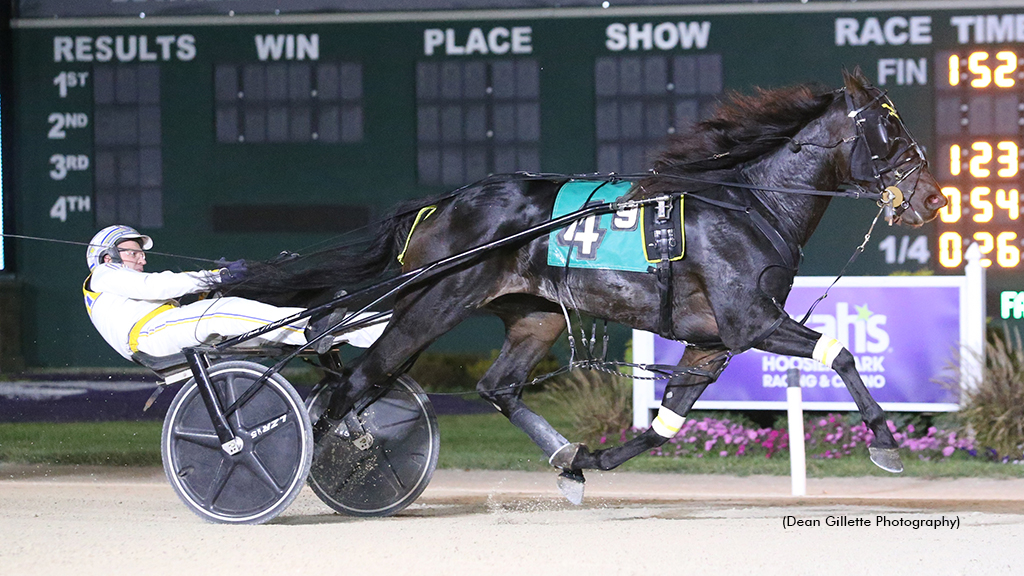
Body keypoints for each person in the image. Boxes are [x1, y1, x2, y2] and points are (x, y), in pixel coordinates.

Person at [82, 225, 384, 360]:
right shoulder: (103, 275)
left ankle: (381, 327)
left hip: (164, 330)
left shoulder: (123, 287)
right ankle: (310, 329)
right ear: (109, 257)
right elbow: (157, 285)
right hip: (148, 337)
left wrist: (234, 279)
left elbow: (163, 292)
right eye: (134, 253)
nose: (143, 259)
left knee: (261, 320)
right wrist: (216, 276)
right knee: (221, 312)